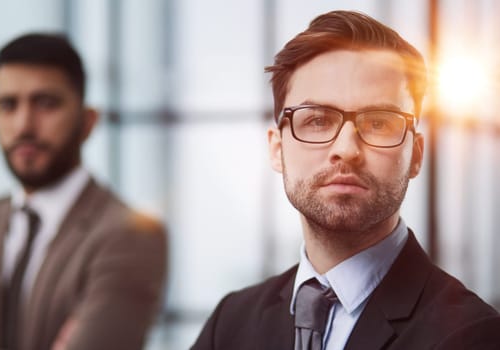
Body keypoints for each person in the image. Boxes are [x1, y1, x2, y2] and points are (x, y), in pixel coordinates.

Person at [191, 10, 500, 350]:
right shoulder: (231, 323)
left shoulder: (472, 335)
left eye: (380, 123)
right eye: (318, 120)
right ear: (277, 150)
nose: (346, 149)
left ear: (415, 155)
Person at [0, 33, 167, 350]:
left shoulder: (132, 234)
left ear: (87, 121)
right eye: (8, 105)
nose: (24, 125)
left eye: (46, 104)